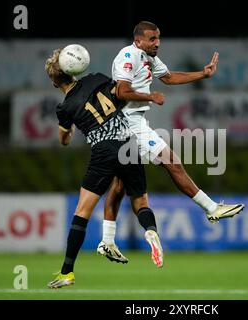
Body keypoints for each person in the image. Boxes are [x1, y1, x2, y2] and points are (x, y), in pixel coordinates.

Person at [96, 21, 245, 264]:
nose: (157, 43)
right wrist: (150, 96)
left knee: (120, 184)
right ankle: (211, 209)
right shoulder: (128, 55)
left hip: (133, 123)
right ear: (139, 40)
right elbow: (121, 92)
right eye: (152, 39)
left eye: (158, 38)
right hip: (126, 124)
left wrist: (203, 74)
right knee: (171, 162)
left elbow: (168, 77)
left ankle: (107, 241)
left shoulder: (149, 58)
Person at [44, 49, 164, 289]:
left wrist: (70, 131)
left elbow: (64, 140)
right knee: (141, 203)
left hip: (103, 151)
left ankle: (67, 272)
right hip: (128, 144)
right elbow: (120, 96)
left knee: (82, 213)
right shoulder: (96, 78)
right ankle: (151, 230)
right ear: (75, 72)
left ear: (55, 83)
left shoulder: (65, 107)